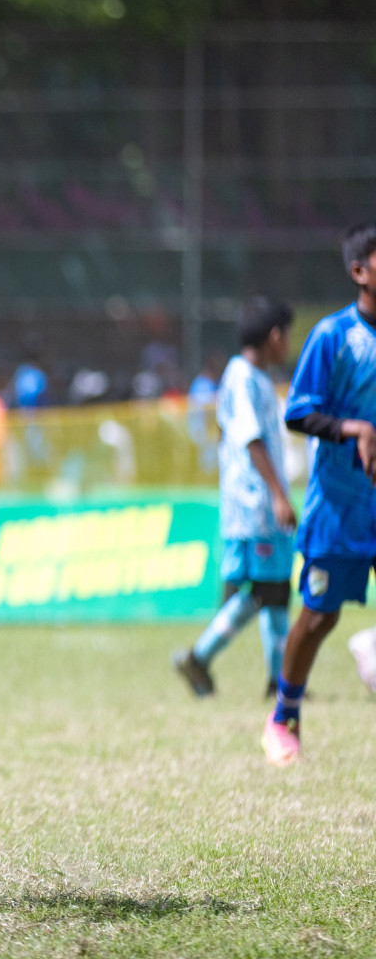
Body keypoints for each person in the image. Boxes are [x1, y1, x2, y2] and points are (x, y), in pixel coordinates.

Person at [263, 223, 376, 765]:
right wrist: (355, 429)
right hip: (338, 506)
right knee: (318, 616)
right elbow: (298, 412)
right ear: (360, 273)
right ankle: (284, 715)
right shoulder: (334, 336)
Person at [171, 298, 295, 699]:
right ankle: (200, 657)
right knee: (265, 591)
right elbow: (251, 439)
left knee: (274, 590)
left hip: (252, 502)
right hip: (256, 505)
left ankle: (279, 680)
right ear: (275, 336)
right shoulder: (243, 377)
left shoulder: (250, 376)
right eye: (287, 335)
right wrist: (278, 494)